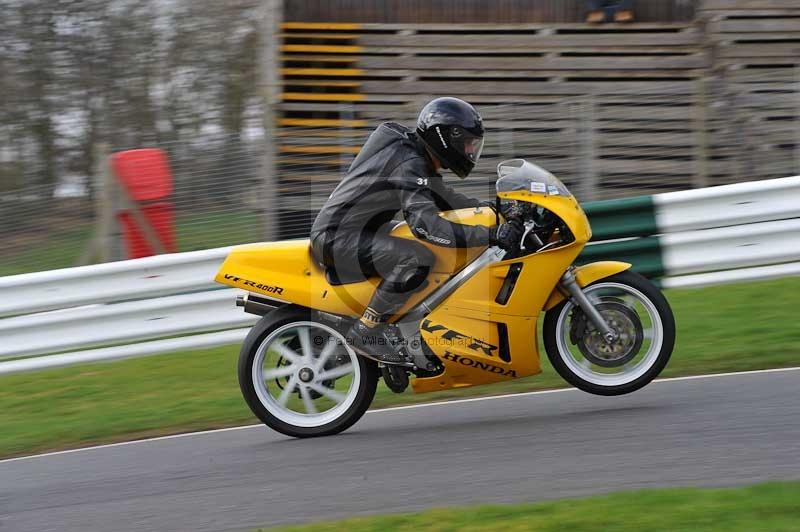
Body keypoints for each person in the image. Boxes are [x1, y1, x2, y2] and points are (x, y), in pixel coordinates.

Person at [309, 97, 524, 364]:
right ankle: (366, 330)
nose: (470, 150)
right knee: (417, 258)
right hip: (337, 238)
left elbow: (445, 198)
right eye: (468, 143)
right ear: (446, 138)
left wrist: (495, 210)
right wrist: (490, 235)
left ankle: (399, 330)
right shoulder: (409, 163)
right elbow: (426, 226)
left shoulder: (414, 156)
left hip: (355, 231)